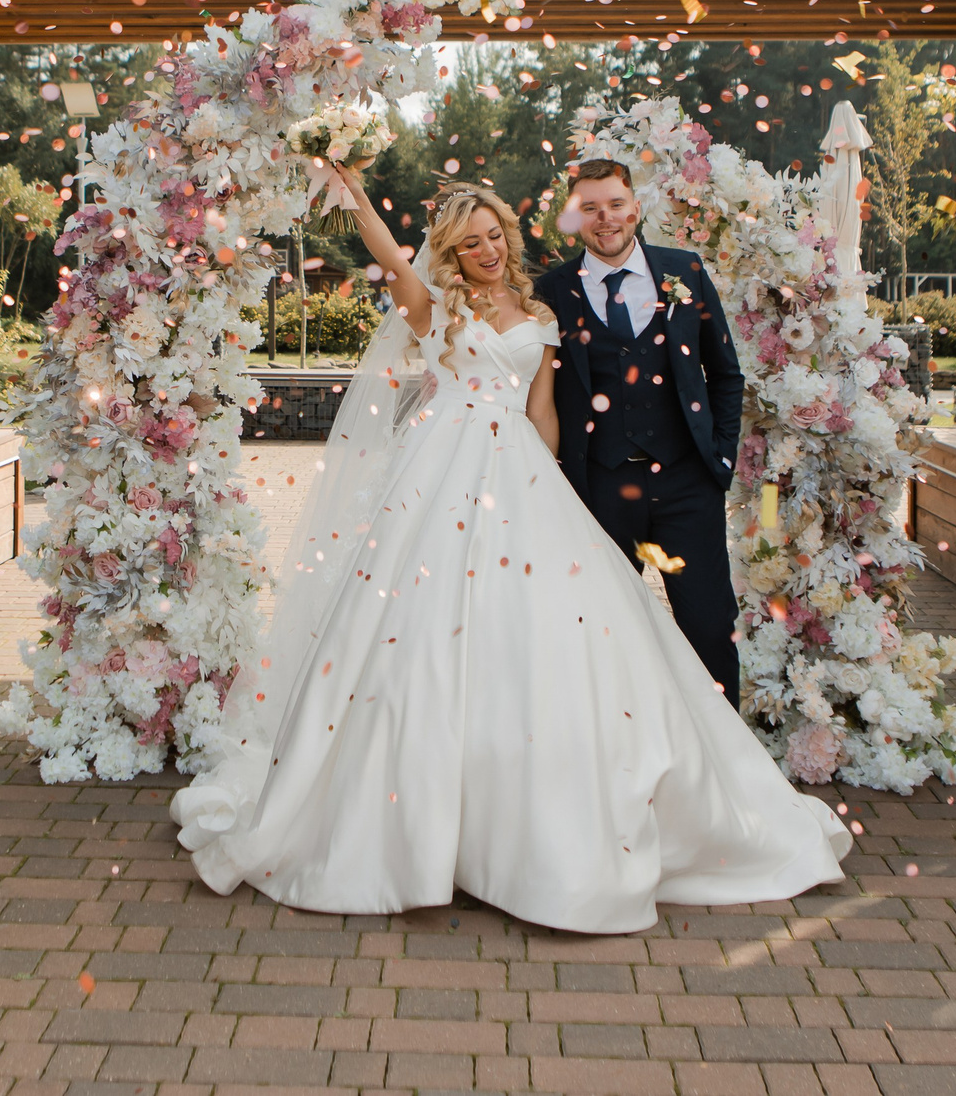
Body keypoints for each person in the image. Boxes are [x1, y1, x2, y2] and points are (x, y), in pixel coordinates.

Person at [171, 177, 849, 933]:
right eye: (472, 241)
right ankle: (412, 827)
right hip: (440, 471)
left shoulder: (540, 314)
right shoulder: (435, 307)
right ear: (453, 252)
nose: (489, 249)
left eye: (495, 235)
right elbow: (391, 259)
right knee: (416, 636)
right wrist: (358, 193)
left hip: (523, 472)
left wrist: (553, 496)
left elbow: (544, 412)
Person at [528, 159, 749, 703]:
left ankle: (728, 767)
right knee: (601, 631)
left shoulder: (685, 272)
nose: (606, 219)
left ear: (636, 207)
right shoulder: (550, 292)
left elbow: (725, 374)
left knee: (709, 626)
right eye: (590, 209)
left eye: (616, 204)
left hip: (686, 485)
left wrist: (719, 461)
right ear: (574, 219)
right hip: (597, 490)